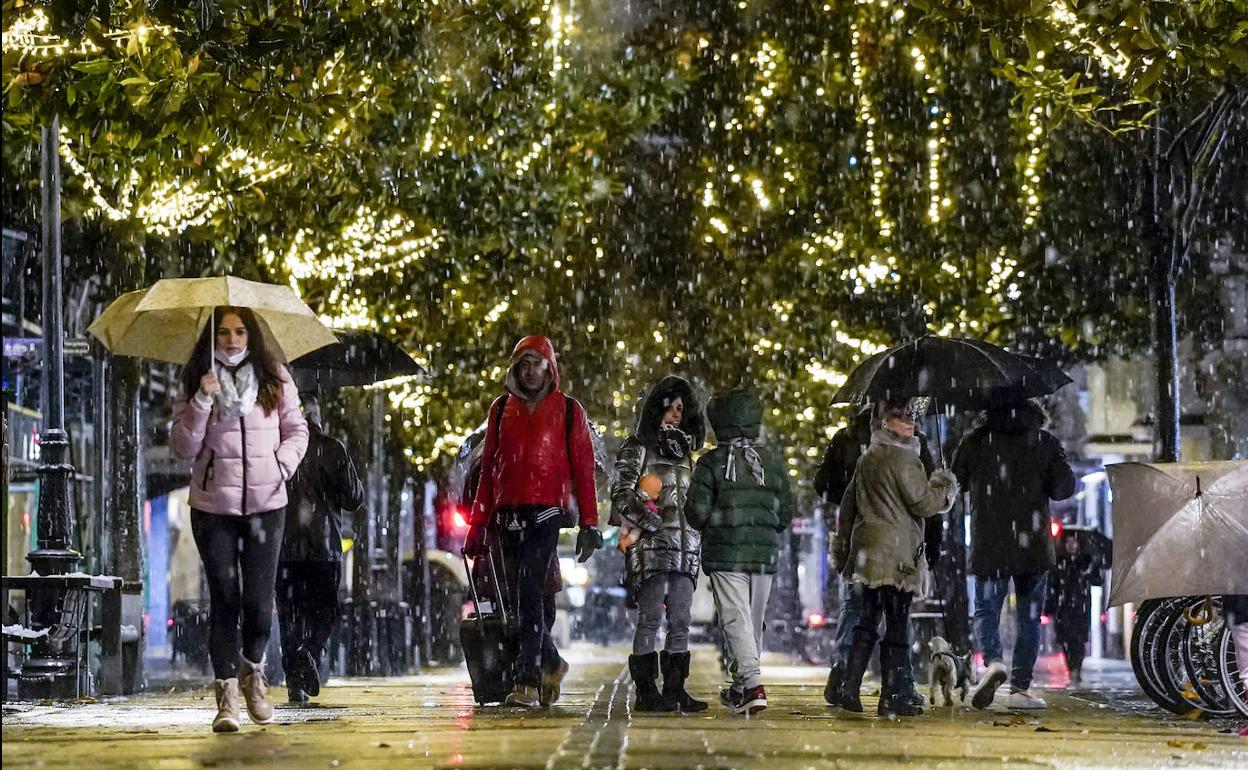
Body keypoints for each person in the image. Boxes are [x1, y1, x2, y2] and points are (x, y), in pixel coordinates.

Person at [170, 307, 309, 733]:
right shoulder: (198, 381)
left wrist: (281, 465)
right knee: (225, 601)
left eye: (240, 331)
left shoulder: (275, 378)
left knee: (258, 605)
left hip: (268, 503)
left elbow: (297, 430)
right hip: (214, 509)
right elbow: (182, 446)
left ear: (252, 336)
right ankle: (227, 694)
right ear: (212, 338)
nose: (232, 340)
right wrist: (201, 400)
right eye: (224, 332)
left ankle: (254, 672)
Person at [463, 336, 603, 708]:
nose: (529, 371)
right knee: (519, 596)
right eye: (523, 364)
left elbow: (583, 468)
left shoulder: (569, 411)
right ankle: (551, 662)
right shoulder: (499, 409)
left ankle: (526, 678)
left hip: (546, 515)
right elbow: (489, 467)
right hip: (507, 515)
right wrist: (478, 523)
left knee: (528, 588)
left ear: (549, 367)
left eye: (536, 364)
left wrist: (590, 522)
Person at [831, 398, 957, 717]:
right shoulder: (904, 458)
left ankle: (849, 685)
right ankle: (893, 694)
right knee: (898, 624)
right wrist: (944, 487)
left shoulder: (868, 457)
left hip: (868, 552)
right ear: (885, 421)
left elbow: (847, 507)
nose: (909, 421)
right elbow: (924, 503)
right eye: (900, 416)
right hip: (897, 553)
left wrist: (845, 547)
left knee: (867, 621)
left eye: (911, 415)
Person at [954, 399, 1076, 710]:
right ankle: (1020, 688)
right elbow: (1063, 488)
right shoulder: (1044, 441)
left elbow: (958, 484)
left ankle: (994, 661)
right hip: (1032, 543)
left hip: (988, 541)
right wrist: (1055, 458)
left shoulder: (977, 441)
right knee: (1029, 617)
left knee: (985, 611)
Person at [686, 388, 795, 716]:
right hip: (763, 555)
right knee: (752, 620)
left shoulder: (711, 463)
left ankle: (752, 684)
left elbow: (697, 512)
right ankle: (741, 687)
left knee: (736, 619)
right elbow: (787, 512)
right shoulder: (772, 461)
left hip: (725, 553)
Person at [610, 376, 707, 713]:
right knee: (650, 619)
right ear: (657, 408)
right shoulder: (638, 447)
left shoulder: (686, 455)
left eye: (682, 408)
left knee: (681, 619)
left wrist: (696, 528)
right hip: (651, 550)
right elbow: (621, 493)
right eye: (670, 406)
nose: (676, 414)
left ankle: (676, 689)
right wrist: (651, 522)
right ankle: (646, 691)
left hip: (685, 549)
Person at [277, 397, 364, 704]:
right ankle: (309, 653)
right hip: (322, 548)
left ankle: (294, 682)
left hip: (282, 547)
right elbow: (354, 497)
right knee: (324, 612)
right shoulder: (331, 449)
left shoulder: (277, 448)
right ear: (317, 416)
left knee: (289, 614)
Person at [1044, 531, 1102, 688]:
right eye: (1068, 542)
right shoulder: (1058, 564)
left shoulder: (1085, 563)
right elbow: (1052, 586)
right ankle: (1071, 667)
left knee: (1079, 640)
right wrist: (1050, 606)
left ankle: (1077, 668)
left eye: (1073, 542)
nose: (1071, 545)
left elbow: (1097, 581)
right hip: (1063, 609)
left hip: (1080, 608)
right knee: (1065, 640)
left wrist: (1093, 566)